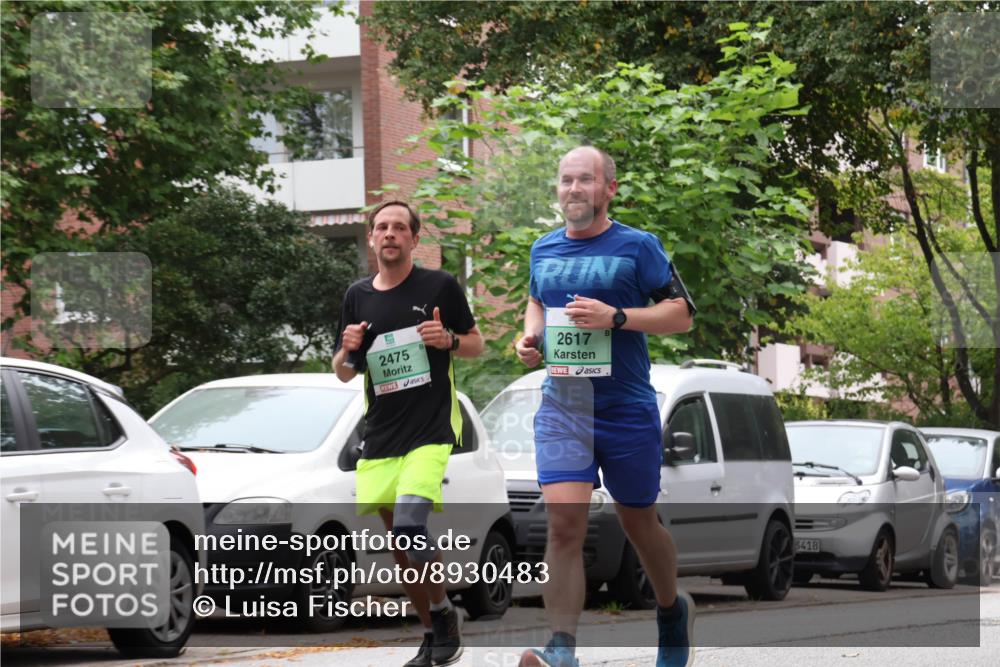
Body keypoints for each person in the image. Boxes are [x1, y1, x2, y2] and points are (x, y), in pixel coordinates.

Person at [514, 146, 697, 667]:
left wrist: (618, 317)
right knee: (564, 525)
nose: (573, 189)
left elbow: (681, 315)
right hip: (563, 407)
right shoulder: (542, 250)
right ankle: (561, 648)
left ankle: (670, 611)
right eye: (565, 180)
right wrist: (529, 339)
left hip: (625, 408)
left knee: (639, 523)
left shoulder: (639, 246)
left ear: (608, 189)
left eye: (585, 181)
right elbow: (537, 304)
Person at [333, 200, 484, 667]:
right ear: (372, 239)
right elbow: (343, 372)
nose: (390, 234)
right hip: (379, 436)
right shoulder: (357, 296)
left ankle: (442, 617)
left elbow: (477, 344)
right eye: (382, 227)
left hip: (430, 431)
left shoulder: (439, 285)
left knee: (410, 527)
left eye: (400, 227)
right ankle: (433, 625)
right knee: (400, 545)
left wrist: (450, 341)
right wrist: (346, 349)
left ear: (415, 239)